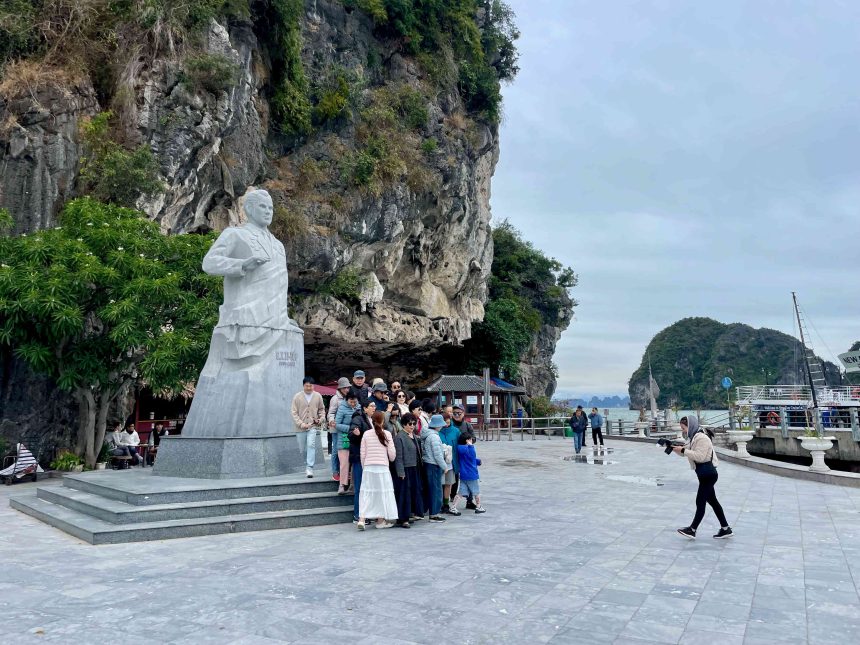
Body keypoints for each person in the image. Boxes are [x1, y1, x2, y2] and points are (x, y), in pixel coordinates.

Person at [673, 415, 733, 539]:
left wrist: (683, 451)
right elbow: (688, 453)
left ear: (690, 426)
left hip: (708, 474)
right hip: (704, 474)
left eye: (684, 428)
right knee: (713, 502)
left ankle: (692, 529)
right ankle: (725, 528)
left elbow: (699, 456)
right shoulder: (693, 437)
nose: (683, 431)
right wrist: (675, 449)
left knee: (700, 502)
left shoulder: (702, 438)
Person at [357, 411, 398, 530]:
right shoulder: (387, 434)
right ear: (383, 421)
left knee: (366, 493)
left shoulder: (366, 434)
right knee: (382, 494)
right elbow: (392, 455)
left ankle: (362, 519)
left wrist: (365, 467)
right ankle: (380, 521)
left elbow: (362, 453)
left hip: (369, 467)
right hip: (383, 468)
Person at [290, 377, 325, 478]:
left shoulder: (318, 396)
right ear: (303, 385)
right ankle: (306, 464)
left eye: (311, 386)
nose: (309, 388)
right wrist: (301, 424)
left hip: (312, 426)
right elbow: (294, 412)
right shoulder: (297, 396)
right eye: (307, 386)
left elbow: (322, 410)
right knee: (303, 449)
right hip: (300, 427)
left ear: (313, 386)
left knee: (311, 445)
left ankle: (310, 467)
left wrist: (320, 419)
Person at [393, 413, 423, 528]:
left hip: (415, 467)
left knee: (413, 492)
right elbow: (398, 457)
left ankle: (410, 514)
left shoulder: (413, 435)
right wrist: (401, 472)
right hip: (405, 469)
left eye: (414, 423)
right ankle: (403, 519)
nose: (412, 426)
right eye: (409, 423)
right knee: (404, 494)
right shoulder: (399, 437)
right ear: (404, 424)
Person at [349, 399, 376, 523]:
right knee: (360, 486)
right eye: (371, 406)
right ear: (365, 408)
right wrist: (356, 434)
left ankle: (366, 514)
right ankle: (358, 515)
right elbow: (351, 433)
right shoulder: (358, 418)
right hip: (359, 457)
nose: (374, 408)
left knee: (368, 487)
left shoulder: (372, 419)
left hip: (369, 457)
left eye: (374, 406)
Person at [421, 414, 449, 522]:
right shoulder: (434, 437)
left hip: (428, 463)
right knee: (436, 490)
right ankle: (434, 514)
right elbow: (437, 455)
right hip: (434, 465)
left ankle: (431, 512)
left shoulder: (427, 434)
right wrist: (444, 466)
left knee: (431, 489)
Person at [451, 404, 477, 509]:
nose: (457, 415)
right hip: (453, 454)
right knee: (454, 477)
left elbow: (474, 438)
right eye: (455, 413)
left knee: (469, 477)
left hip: (466, 455)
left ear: (463, 413)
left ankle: (469, 500)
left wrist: (467, 441)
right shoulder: (450, 425)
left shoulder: (467, 425)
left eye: (459, 413)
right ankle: (452, 497)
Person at [335, 390, 360, 494]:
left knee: (354, 462)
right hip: (344, 438)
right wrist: (350, 428)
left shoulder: (359, 407)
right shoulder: (342, 408)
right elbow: (336, 424)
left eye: (355, 401)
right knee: (344, 463)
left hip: (355, 439)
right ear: (346, 400)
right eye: (351, 401)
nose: (353, 404)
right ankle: (342, 485)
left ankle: (353, 485)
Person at [327, 377, 351, 482]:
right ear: (340, 388)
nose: (347, 389)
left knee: (345, 450)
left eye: (348, 387)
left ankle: (344, 472)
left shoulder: (348, 397)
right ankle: (335, 472)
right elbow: (331, 413)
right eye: (345, 387)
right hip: (336, 429)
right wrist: (332, 421)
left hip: (345, 428)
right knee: (336, 450)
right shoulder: (335, 399)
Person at [454, 433, 486, 513]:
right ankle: (478, 507)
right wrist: (471, 446)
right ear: (467, 440)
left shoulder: (459, 448)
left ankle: (453, 507)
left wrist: (478, 461)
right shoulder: (467, 448)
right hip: (471, 474)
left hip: (463, 475)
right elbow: (472, 456)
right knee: (476, 491)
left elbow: (468, 459)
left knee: (461, 492)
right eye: (471, 439)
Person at [439, 412, 461, 515]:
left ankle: (446, 504)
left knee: (448, 483)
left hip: (451, 462)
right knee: (439, 484)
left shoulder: (456, 431)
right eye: (445, 423)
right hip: (439, 462)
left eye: (448, 422)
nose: (447, 424)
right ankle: (438, 503)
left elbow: (460, 444)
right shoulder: (437, 431)